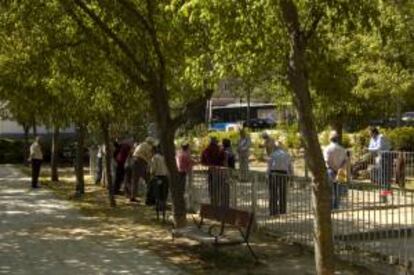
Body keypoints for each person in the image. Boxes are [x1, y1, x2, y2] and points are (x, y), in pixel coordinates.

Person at [323, 131, 348, 209]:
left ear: (330, 139)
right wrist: (339, 168)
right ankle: (336, 206)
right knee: (339, 189)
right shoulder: (342, 149)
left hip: (330, 170)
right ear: (337, 139)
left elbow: (327, 160)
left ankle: (331, 206)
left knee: (330, 189)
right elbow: (345, 160)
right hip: (341, 170)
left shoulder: (327, 148)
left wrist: (334, 168)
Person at [267, 141, 293, 215]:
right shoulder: (287, 155)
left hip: (274, 174)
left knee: (273, 193)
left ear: (274, 147)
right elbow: (290, 166)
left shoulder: (272, 155)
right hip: (284, 174)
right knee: (283, 192)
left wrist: (267, 175)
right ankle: (282, 210)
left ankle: (273, 210)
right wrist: (291, 176)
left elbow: (269, 167)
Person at [368, 127, 393, 202]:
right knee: (373, 171)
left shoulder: (381, 137)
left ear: (374, 132)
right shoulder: (372, 139)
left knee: (384, 177)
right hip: (378, 158)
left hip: (386, 157)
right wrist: (372, 149)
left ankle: (384, 196)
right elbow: (371, 148)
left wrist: (371, 149)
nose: (369, 134)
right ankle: (385, 193)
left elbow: (379, 148)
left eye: (370, 133)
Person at [130, 137, 156, 202]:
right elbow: (149, 157)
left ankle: (133, 196)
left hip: (134, 160)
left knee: (135, 179)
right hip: (140, 161)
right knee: (148, 179)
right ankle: (150, 196)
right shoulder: (148, 146)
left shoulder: (141, 144)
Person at [201, 137, 225, 206]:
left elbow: (203, 161)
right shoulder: (220, 150)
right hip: (220, 171)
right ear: (216, 142)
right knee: (219, 187)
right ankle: (219, 203)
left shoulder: (206, 150)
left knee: (212, 188)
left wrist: (209, 164)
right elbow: (223, 159)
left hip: (211, 170)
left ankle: (213, 203)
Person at [150, 146, 170, 221]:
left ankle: (158, 216)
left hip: (157, 177)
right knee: (164, 197)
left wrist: (152, 176)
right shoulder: (164, 157)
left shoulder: (155, 157)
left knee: (157, 197)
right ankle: (163, 217)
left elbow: (152, 170)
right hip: (165, 178)